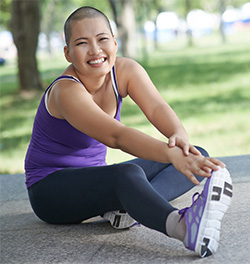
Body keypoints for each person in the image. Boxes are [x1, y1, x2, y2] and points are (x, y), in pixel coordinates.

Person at [25, 6, 233, 258]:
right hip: (50, 192)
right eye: (82, 43)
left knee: (197, 153)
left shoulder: (124, 70)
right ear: (68, 53)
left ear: (114, 42)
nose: (95, 50)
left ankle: (130, 208)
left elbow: (156, 107)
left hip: (94, 180)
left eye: (102, 39)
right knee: (128, 173)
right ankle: (183, 227)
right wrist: (172, 156)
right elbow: (117, 136)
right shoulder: (66, 92)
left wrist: (179, 138)